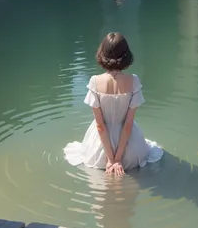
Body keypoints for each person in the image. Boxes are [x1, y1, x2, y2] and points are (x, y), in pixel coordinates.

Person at [64, 33, 163, 175]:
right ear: (126, 55)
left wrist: (110, 159)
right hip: (131, 150)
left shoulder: (95, 81)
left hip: (99, 150)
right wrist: (118, 159)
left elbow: (100, 126)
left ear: (102, 53)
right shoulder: (133, 81)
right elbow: (128, 124)